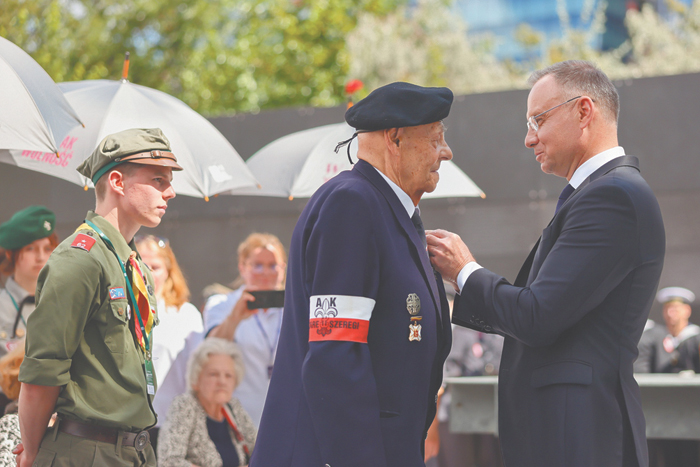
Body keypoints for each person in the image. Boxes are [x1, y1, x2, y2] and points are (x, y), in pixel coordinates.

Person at [428, 60, 665, 467]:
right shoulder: (600, 194)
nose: (528, 138)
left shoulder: (612, 197)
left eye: (538, 119)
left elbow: (537, 316)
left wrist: (464, 271)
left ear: (584, 110)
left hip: (581, 437)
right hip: (573, 431)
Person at [250, 82, 454, 467]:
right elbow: (336, 355)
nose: (446, 152)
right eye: (435, 139)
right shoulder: (353, 203)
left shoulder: (391, 210)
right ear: (394, 138)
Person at [16, 128, 183, 467]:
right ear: (118, 182)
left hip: (133, 449)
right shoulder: (80, 259)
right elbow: (41, 376)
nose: (171, 191)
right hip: (87, 451)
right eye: (158, 180)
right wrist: (33, 451)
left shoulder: (132, 265)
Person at [203, 233, 287, 427]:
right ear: (243, 267)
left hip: (285, 416)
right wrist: (235, 318)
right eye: (257, 265)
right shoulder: (222, 304)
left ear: (283, 269)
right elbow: (210, 351)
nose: (265, 272)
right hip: (237, 416)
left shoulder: (296, 306)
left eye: (273, 265)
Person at [135, 235, 203, 449]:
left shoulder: (186, 314)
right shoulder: (119, 309)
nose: (146, 272)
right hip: (126, 425)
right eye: (140, 265)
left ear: (169, 271)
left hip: (171, 425)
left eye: (154, 267)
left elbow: (197, 374)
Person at [158, 337, 256, 467]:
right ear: (196, 379)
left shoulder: (233, 407)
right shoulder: (185, 405)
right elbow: (169, 462)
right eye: (213, 374)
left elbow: (260, 450)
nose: (222, 381)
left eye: (228, 375)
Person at [0, 206, 58, 359]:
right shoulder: (2, 306)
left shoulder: (61, 302)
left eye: (47, 248)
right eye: (30, 248)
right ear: (10, 253)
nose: (40, 257)